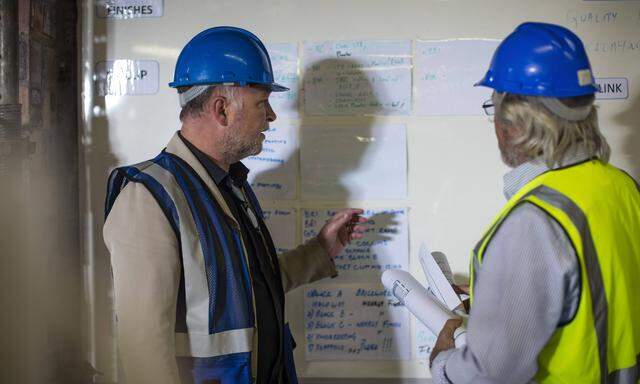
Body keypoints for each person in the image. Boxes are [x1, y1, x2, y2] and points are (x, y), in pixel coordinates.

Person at [103, 26, 366, 384]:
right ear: (222, 109)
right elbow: (142, 347)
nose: (271, 116)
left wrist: (319, 251)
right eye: (262, 103)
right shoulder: (150, 197)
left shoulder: (230, 186)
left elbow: (242, 287)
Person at [429, 22, 640, 383]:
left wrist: (442, 363)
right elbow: (596, 294)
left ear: (516, 120)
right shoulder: (624, 187)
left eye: (493, 109)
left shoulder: (533, 223)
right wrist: (498, 292)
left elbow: (487, 376)